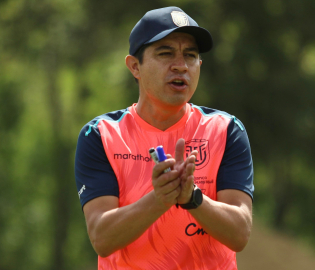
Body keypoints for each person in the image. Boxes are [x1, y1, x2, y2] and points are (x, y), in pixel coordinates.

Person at [75, 6, 254, 270]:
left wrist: (192, 198)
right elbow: (101, 237)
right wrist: (159, 199)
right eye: (165, 53)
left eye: (190, 55)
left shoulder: (226, 130)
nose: (181, 65)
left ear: (199, 66)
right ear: (135, 66)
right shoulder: (101, 135)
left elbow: (240, 233)